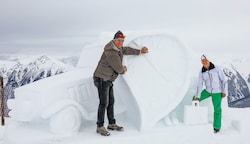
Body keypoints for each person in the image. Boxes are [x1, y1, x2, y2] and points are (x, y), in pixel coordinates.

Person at [93, 30, 148, 136]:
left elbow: (126, 50)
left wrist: (140, 51)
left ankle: (111, 124)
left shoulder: (117, 48)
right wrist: (123, 68)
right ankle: (99, 126)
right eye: (118, 41)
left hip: (108, 79)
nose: (121, 43)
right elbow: (119, 69)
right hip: (101, 79)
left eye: (122, 41)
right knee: (104, 103)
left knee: (111, 102)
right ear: (114, 40)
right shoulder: (111, 52)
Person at [192, 54, 227, 133]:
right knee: (194, 99)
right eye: (203, 61)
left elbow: (223, 80)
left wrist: (224, 91)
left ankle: (217, 127)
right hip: (208, 91)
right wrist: (197, 96)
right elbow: (200, 84)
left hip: (217, 92)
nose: (204, 63)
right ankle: (195, 120)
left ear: (209, 60)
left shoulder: (216, 68)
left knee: (217, 109)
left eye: (205, 61)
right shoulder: (202, 71)